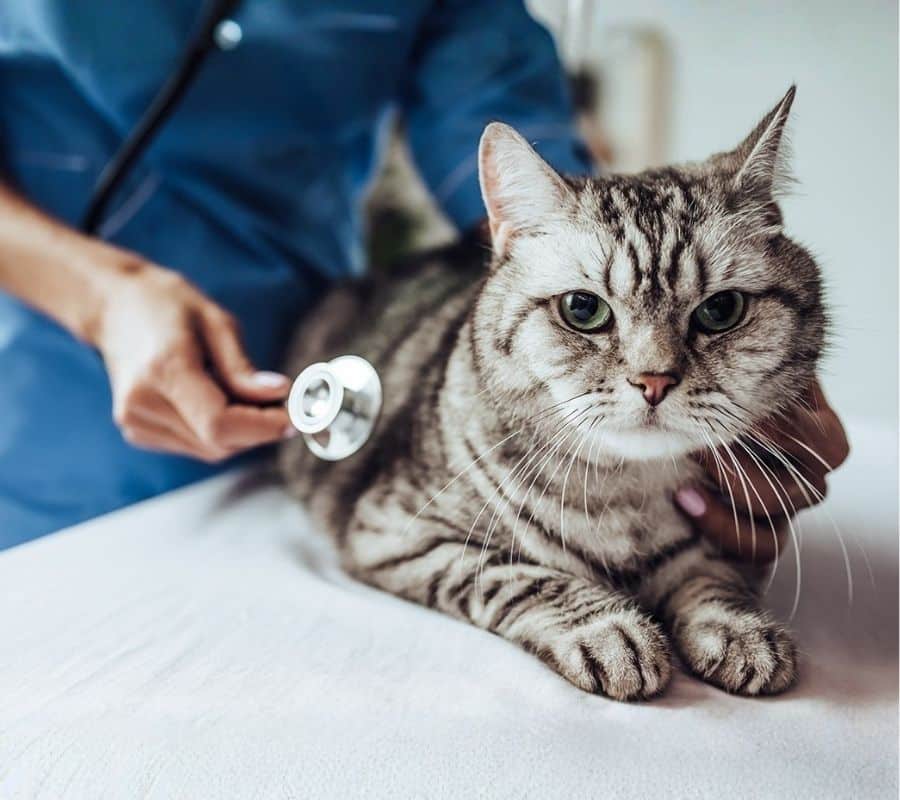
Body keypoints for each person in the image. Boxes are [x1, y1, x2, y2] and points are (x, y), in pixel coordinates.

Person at [0, 1, 847, 551]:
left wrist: (722, 364)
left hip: (324, 376)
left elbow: (515, 158)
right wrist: (101, 296)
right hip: (39, 387)